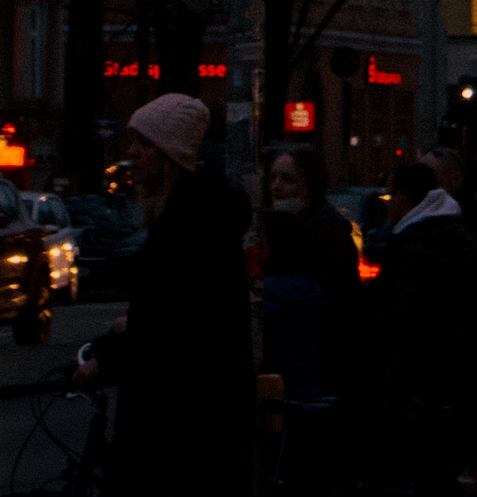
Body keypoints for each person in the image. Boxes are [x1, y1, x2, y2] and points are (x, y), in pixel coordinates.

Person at [72, 92, 254, 496]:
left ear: (172, 153)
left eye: (145, 143)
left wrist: (105, 359)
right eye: (132, 141)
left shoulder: (187, 226)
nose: (132, 152)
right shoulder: (199, 217)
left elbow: (173, 330)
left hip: (180, 424)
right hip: (200, 422)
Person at [364, 156, 477, 493]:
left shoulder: (417, 248)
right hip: (448, 389)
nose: (386, 206)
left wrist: (386, 390)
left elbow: (406, 327)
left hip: (419, 392)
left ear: (403, 198)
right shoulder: (451, 235)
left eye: (389, 197)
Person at [262, 140, 364, 406]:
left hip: (318, 369)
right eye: (273, 177)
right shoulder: (286, 228)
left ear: (310, 183)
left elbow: (336, 310)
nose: (276, 187)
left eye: (288, 179)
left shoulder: (325, 234)